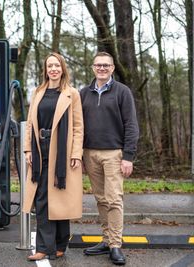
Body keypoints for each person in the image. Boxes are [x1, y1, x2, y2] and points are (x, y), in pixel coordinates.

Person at [22, 52, 84, 261]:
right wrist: (28, 150)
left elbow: (77, 126)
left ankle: (60, 244)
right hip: (41, 149)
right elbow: (30, 124)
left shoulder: (71, 93)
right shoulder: (38, 92)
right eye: (50, 66)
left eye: (57, 66)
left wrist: (76, 153)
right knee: (41, 199)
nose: (53, 69)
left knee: (60, 198)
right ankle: (43, 248)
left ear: (62, 68)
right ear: (45, 70)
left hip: (62, 152)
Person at [80, 52, 139, 265]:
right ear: (93, 67)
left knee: (114, 199)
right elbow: (78, 126)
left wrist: (128, 156)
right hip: (90, 153)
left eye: (106, 65)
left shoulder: (122, 92)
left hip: (114, 154)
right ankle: (106, 240)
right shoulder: (83, 93)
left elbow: (131, 125)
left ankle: (115, 245)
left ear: (112, 68)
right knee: (101, 199)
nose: (102, 68)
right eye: (98, 65)